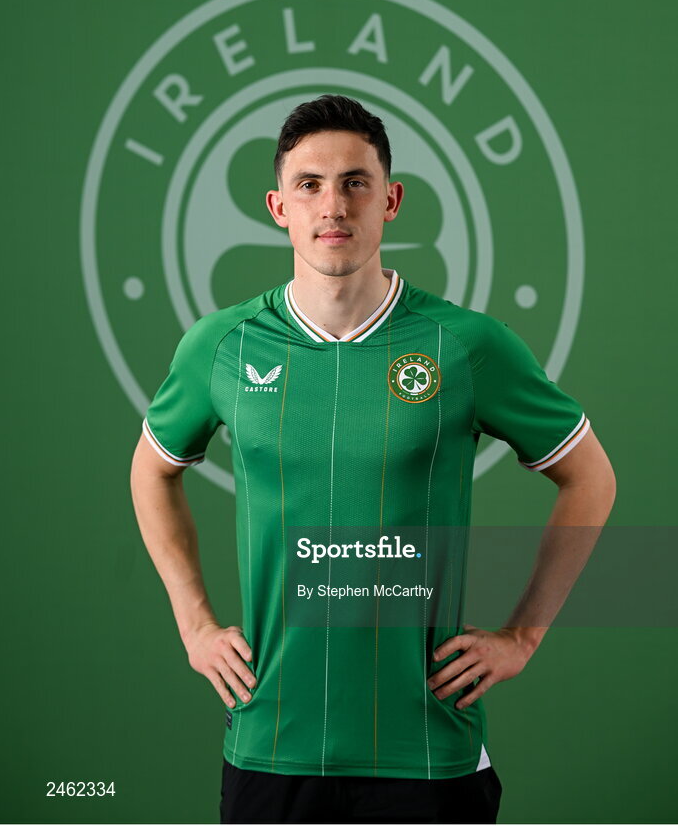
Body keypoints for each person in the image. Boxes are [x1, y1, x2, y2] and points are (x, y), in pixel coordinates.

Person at [130, 94, 616, 825]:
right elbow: (152, 471)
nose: (334, 204)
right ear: (278, 207)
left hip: (427, 749)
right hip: (272, 744)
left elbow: (590, 477)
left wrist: (523, 636)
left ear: (390, 200)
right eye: (311, 185)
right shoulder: (222, 346)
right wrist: (194, 622)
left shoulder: (467, 345)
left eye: (356, 182)